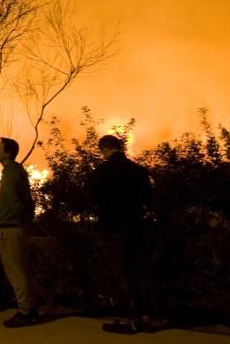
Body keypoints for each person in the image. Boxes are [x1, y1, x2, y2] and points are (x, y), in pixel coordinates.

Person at [90, 134, 154, 335]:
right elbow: (148, 199)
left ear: (104, 149)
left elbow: (93, 199)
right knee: (139, 272)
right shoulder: (139, 171)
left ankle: (127, 320)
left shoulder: (101, 173)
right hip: (136, 227)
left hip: (114, 230)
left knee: (121, 275)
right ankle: (145, 318)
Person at [0, 137, 38, 327]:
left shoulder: (11, 174)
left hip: (11, 228)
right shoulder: (17, 172)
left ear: (7, 153)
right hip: (19, 227)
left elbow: (13, 203)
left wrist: (18, 218)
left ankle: (25, 311)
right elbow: (27, 202)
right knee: (23, 270)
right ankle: (31, 307)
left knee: (15, 271)